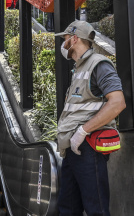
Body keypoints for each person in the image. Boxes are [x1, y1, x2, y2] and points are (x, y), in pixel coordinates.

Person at [55, 20, 126, 215]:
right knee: (67, 208)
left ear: (75, 38)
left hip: (88, 147)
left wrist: (82, 131)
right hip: (72, 147)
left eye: (66, 39)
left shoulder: (99, 65)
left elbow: (118, 103)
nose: (64, 43)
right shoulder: (79, 68)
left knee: (97, 209)